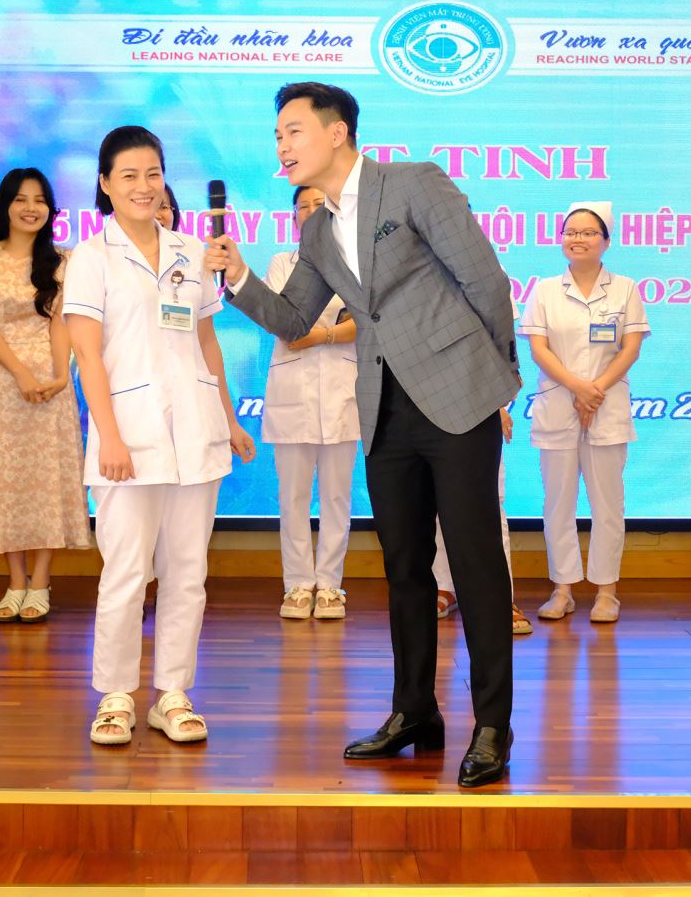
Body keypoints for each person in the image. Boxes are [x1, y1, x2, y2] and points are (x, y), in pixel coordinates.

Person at [207, 81, 520, 789]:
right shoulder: (316, 230)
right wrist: (239, 275)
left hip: (460, 396)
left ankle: (492, 724)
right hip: (382, 409)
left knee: (474, 564)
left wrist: (499, 374)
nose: (281, 144)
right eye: (276, 134)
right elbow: (294, 321)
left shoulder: (412, 183)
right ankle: (414, 711)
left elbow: (487, 282)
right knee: (404, 567)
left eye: (292, 130)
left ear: (337, 131)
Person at [66, 126, 255, 746]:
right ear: (105, 184)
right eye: (129, 176)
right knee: (125, 572)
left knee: (188, 573)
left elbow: (205, 342)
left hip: (196, 433)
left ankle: (172, 693)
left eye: (152, 173)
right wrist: (109, 436)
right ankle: (116, 696)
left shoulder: (189, 251)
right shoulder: (91, 257)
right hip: (128, 437)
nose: (143, 186)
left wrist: (229, 418)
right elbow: (88, 356)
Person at [0, 168, 93, 623]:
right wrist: (20, 373)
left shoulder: (64, 260)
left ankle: (41, 582)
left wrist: (60, 375)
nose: (31, 208)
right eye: (21, 199)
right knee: (7, 480)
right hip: (2, 381)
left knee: (46, 481)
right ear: (6, 206)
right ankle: (15, 581)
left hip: (52, 384)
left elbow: (60, 324)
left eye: (39, 200)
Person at [522, 202, 649, 624]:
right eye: (570, 232)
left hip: (606, 408)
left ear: (606, 241)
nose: (578, 239)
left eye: (588, 232)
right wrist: (578, 388)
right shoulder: (544, 290)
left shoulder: (625, 288)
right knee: (558, 504)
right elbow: (538, 348)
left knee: (607, 504)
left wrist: (595, 391)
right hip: (559, 405)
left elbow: (630, 347)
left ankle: (606, 591)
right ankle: (562, 589)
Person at [263, 183, 360, 620]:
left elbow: (363, 323)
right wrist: (334, 329)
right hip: (293, 395)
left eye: (319, 204)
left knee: (337, 497)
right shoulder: (281, 264)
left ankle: (331, 586)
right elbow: (284, 323)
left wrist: (318, 334)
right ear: (293, 217)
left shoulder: (355, 263)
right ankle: (298, 584)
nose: (311, 211)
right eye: (303, 206)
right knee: (293, 497)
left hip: (343, 392)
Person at [432, 413, 527, 634]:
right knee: (434, 497)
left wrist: (495, 407)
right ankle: (444, 587)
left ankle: (502, 599)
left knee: (489, 504)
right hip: (428, 413)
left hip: (479, 411)